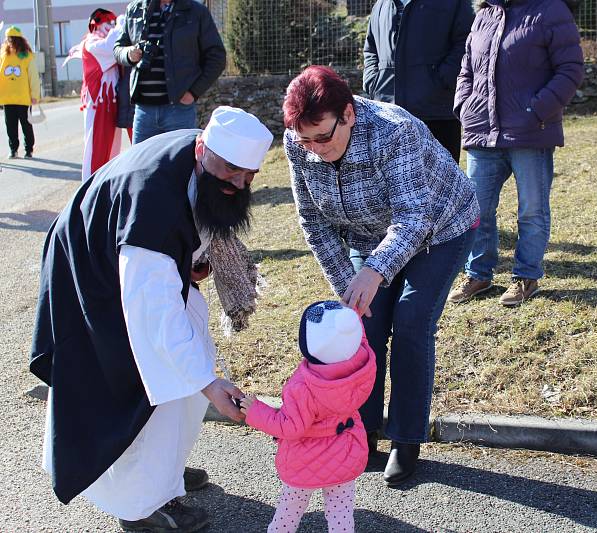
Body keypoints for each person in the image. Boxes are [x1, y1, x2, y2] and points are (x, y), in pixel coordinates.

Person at [30, 106, 273, 532]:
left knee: (189, 358)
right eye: (231, 171)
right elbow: (154, 315)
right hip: (94, 272)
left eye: (248, 176)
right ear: (203, 149)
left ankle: (164, 477)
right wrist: (208, 383)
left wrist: (194, 259)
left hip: (129, 261)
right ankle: (137, 506)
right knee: (146, 382)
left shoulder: (208, 155)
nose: (238, 184)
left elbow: (194, 225)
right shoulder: (154, 204)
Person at [283, 66, 479, 485]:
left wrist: (374, 270)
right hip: (367, 235)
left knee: (411, 323)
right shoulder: (298, 142)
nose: (315, 149)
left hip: (439, 228)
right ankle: (362, 430)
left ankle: (407, 439)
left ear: (348, 115)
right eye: (306, 140)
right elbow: (313, 222)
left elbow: (414, 216)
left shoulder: (393, 130)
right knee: (363, 327)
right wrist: (348, 286)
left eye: (323, 137)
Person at [447, 0, 584, 307]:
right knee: (475, 210)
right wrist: (465, 107)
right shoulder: (484, 14)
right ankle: (478, 274)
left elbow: (571, 69)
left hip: (530, 133)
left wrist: (536, 111)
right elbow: (466, 69)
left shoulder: (550, 11)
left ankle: (526, 276)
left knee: (531, 211)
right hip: (482, 132)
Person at [241, 301, 377, 533]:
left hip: (305, 461)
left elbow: (290, 426)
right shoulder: (363, 364)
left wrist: (256, 411)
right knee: (341, 516)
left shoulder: (303, 387)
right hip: (345, 454)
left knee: (289, 512)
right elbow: (358, 338)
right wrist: (351, 316)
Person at [362, 0, 473, 163]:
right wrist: (373, 81)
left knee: (440, 184)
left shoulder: (454, 3)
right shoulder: (382, 4)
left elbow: (466, 42)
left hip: (436, 115)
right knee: (391, 185)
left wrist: (440, 81)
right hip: (387, 115)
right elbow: (371, 49)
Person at [114, 0, 226, 144]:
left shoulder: (196, 11)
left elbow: (217, 57)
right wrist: (128, 54)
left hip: (179, 111)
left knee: (179, 165)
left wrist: (194, 92)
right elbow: (118, 49)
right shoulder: (135, 9)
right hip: (143, 111)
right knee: (141, 165)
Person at [63, 9, 128, 181]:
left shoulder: (103, 39)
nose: (111, 26)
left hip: (111, 103)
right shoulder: (91, 43)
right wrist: (122, 22)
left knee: (113, 151)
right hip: (98, 104)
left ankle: (106, 188)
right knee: (96, 149)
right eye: (108, 23)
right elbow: (111, 47)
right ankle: (89, 190)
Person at [0, 26, 40, 159]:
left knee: (26, 126)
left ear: (18, 40)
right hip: (7, 98)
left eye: (11, 38)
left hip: (24, 98)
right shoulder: (3, 54)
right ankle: (13, 150)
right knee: (10, 126)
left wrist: (35, 95)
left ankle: (29, 149)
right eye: (7, 38)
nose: (9, 41)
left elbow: (33, 76)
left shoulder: (26, 56)